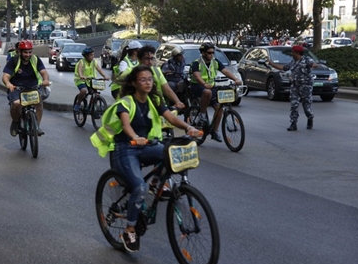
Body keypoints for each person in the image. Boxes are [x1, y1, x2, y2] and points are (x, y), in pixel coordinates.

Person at [90, 65, 200, 252]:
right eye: (143, 79)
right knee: (139, 187)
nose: (148, 82)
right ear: (134, 83)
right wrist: (134, 137)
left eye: (150, 79)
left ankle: (157, 183)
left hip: (146, 145)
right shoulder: (126, 102)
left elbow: (170, 118)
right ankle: (130, 228)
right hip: (126, 149)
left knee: (169, 153)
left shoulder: (153, 100)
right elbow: (126, 125)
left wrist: (188, 128)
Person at [189, 42, 242, 142]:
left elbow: (225, 71)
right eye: (209, 53)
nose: (211, 54)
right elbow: (197, 76)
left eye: (213, 52)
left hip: (211, 86)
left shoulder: (215, 62)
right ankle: (203, 114)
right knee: (207, 92)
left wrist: (235, 79)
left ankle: (215, 131)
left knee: (219, 108)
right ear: (203, 53)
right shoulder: (196, 63)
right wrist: (204, 84)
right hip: (197, 85)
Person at [2, 40, 50, 136]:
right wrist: (8, 83)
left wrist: (45, 80)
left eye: (29, 52)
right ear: (20, 52)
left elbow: (44, 72)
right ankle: (15, 122)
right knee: (16, 104)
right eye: (25, 52)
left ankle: (37, 126)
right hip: (17, 88)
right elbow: (5, 76)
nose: (28, 55)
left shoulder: (35, 59)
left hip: (33, 87)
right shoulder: (13, 61)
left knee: (39, 103)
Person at [266, 45, 316, 131]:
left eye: (292, 52)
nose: (291, 53)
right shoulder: (293, 62)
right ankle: (293, 123)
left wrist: (314, 65)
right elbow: (284, 68)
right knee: (294, 104)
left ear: (297, 53)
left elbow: (313, 64)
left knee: (306, 106)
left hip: (305, 86)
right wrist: (271, 63)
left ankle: (310, 117)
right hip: (294, 86)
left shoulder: (307, 60)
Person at [73, 47, 109, 111]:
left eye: (93, 54)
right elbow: (79, 70)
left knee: (96, 93)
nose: (93, 56)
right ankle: (78, 104)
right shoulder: (81, 62)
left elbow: (99, 69)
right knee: (84, 90)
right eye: (91, 55)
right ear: (86, 56)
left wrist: (104, 76)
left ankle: (93, 110)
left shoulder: (94, 62)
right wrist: (81, 76)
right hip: (81, 80)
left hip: (91, 81)